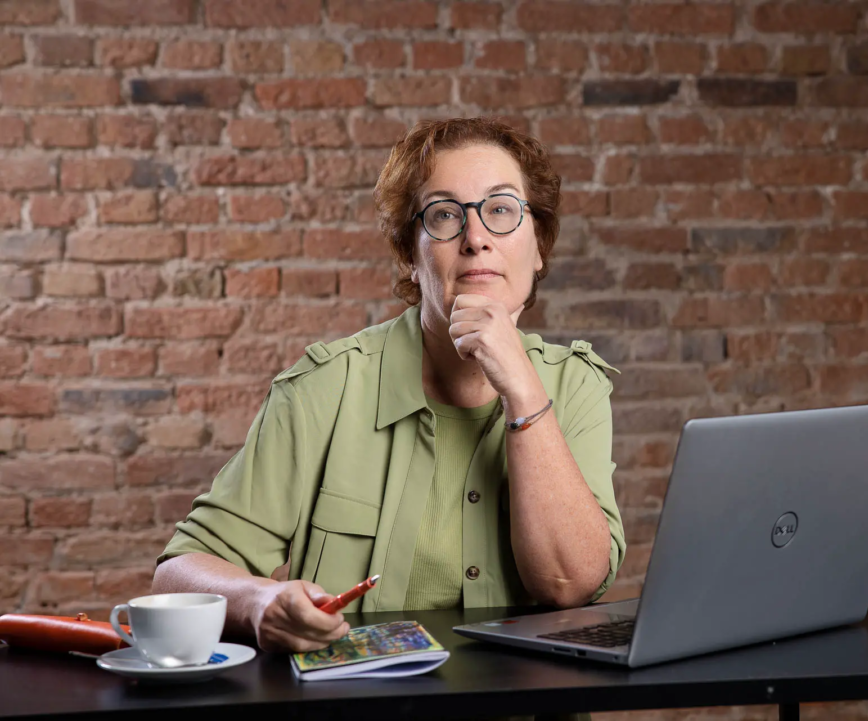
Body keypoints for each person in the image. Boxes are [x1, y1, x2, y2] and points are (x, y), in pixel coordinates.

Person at [152, 117, 626, 655]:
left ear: (537, 245)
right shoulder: (324, 389)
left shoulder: (576, 386)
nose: (476, 239)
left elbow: (569, 584)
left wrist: (522, 389)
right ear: (409, 253)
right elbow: (179, 571)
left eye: (501, 210)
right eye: (445, 215)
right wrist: (259, 601)